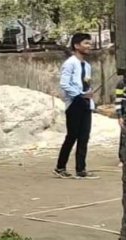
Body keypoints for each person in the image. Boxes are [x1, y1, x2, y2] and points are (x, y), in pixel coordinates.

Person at [54, 33, 98, 179]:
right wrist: (79, 94)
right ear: (76, 46)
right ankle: (60, 167)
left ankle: (81, 169)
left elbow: (86, 82)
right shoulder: (70, 63)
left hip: (85, 102)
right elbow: (64, 84)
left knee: (84, 136)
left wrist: (89, 94)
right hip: (74, 102)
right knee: (72, 135)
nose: (89, 46)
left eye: (89, 43)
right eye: (86, 43)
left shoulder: (87, 65)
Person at [116, 76, 125, 166]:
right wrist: (119, 116)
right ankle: (122, 159)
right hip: (125, 113)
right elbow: (118, 100)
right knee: (124, 137)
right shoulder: (121, 83)